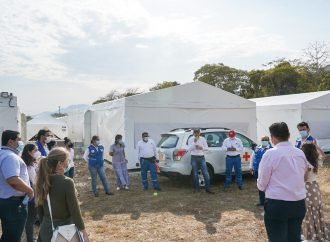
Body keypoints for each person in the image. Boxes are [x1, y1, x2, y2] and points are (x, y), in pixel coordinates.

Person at [257, 122, 309, 242]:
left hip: (278, 204)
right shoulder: (299, 153)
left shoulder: (270, 154)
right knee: (294, 237)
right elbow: (304, 175)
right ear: (289, 135)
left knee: (277, 238)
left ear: (273, 137)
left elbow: (262, 183)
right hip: (298, 203)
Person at [35, 147, 89, 242]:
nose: (68, 163)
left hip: (46, 230)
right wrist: (83, 231)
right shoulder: (66, 182)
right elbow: (74, 210)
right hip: (64, 232)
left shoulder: (41, 180)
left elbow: (40, 210)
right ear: (60, 163)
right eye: (67, 160)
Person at [0, 130, 34, 242]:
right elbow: (13, 180)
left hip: (6, 201)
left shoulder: (3, 153)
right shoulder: (10, 157)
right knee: (13, 236)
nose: (21, 143)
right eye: (19, 140)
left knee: (8, 234)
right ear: (10, 141)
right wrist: (29, 190)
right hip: (14, 203)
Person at [301, 143, 329, 241]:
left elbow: (303, 179)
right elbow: (324, 156)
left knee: (308, 212)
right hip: (315, 187)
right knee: (316, 211)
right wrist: (317, 146)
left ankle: (310, 235)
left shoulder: (306, 164)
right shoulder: (315, 161)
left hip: (307, 188)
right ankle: (318, 232)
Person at [21, 143, 41, 242]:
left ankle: (30, 237)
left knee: (31, 218)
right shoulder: (28, 165)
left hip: (31, 193)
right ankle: (30, 239)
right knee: (31, 219)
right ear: (29, 152)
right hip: (31, 194)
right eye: (35, 150)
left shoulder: (30, 163)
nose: (37, 152)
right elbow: (34, 181)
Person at [188, 129, 214, 194]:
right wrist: (194, 143)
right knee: (195, 173)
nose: (196, 134)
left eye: (197, 133)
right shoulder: (191, 139)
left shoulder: (203, 139)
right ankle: (197, 188)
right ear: (193, 133)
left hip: (201, 157)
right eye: (195, 133)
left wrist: (201, 147)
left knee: (206, 173)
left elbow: (207, 148)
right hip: (194, 157)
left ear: (199, 133)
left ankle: (208, 188)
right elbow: (189, 149)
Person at [249, 136, 272, 206]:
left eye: (265, 140)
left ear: (268, 141)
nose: (264, 141)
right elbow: (252, 157)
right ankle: (262, 201)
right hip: (257, 169)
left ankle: (268, 201)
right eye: (263, 140)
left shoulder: (271, 149)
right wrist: (250, 167)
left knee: (268, 186)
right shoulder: (257, 148)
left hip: (267, 171)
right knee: (260, 186)